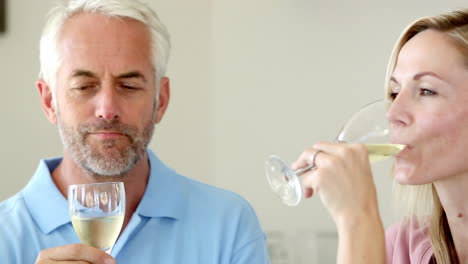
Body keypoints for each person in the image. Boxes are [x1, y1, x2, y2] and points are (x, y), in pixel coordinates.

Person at [0, 0, 270, 263]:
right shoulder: (5, 236)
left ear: (160, 101)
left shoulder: (228, 225)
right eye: (84, 86)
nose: (107, 109)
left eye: (128, 86)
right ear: (49, 102)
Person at [291, 8, 468, 264]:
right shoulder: (401, 247)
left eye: (427, 91)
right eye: (395, 93)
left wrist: (358, 218)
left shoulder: (370, 235)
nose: (393, 112)